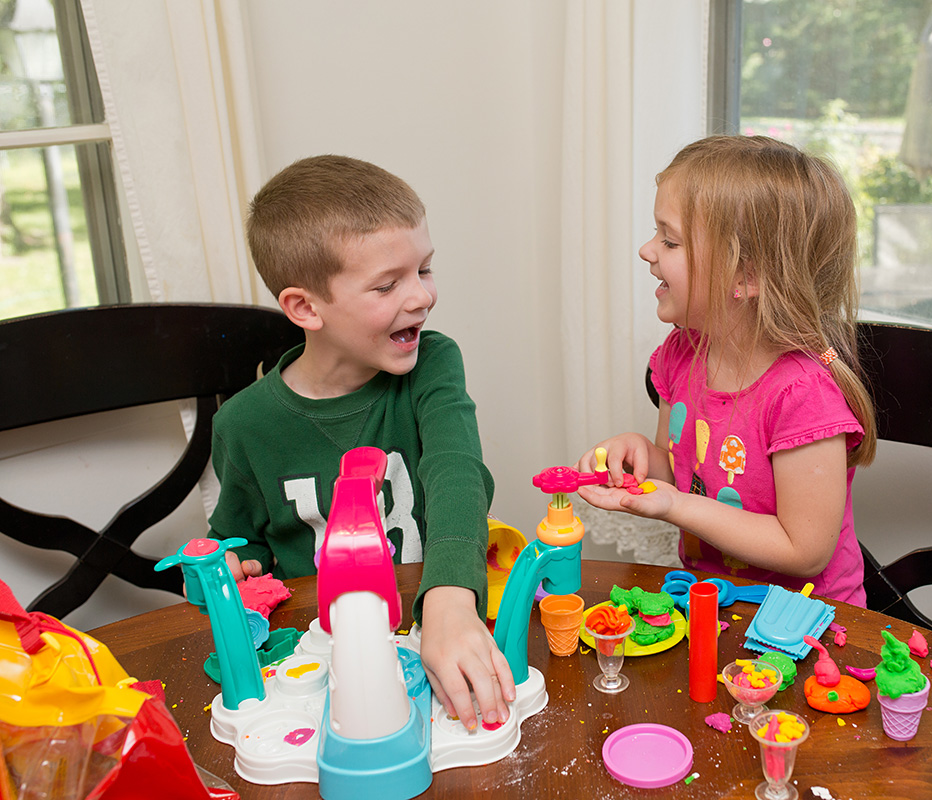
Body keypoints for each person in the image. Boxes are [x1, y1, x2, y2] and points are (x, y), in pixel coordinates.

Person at [207, 155, 514, 729]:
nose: (422, 297)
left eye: (424, 269)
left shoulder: (434, 364)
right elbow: (235, 543)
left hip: (438, 626)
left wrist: (449, 598)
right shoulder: (244, 425)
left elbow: (457, 471)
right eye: (387, 284)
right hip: (317, 664)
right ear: (305, 307)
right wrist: (227, 569)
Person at [575, 135, 876, 605]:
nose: (646, 250)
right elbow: (679, 475)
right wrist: (642, 458)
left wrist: (676, 506)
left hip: (805, 624)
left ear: (746, 277)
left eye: (669, 240)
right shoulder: (682, 354)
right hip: (709, 605)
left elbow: (805, 550)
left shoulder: (802, 395)